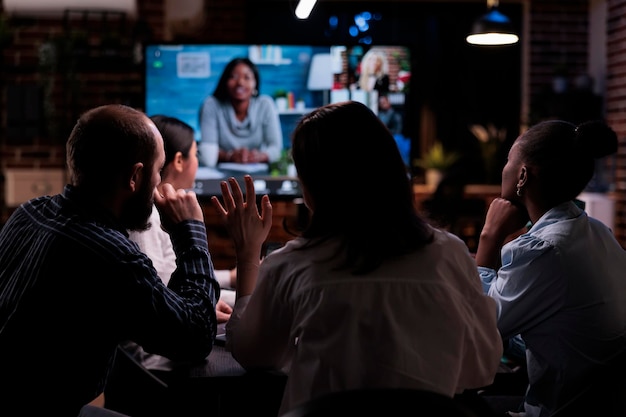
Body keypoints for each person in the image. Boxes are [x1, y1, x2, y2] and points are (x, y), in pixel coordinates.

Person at [212, 101, 503, 415]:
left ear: (313, 186)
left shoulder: (291, 264)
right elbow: (482, 368)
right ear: (391, 170)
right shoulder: (451, 253)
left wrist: (247, 254)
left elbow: (253, 353)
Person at [0, 104, 220, 417]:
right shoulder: (110, 255)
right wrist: (191, 232)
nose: (159, 183)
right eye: (158, 172)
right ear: (135, 176)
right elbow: (195, 336)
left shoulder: (28, 212)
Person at [475, 119, 626, 417]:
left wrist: (489, 237)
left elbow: (477, 327)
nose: (502, 169)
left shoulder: (544, 251)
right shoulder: (598, 233)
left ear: (522, 175)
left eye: (507, 161)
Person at [128, 114, 236, 312]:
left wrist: (226, 283)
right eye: (195, 154)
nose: (197, 162)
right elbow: (162, 292)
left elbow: (172, 276)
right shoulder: (147, 214)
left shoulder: (156, 209)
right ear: (179, 161)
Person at [198, 57, 283, 167]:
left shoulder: (265, 104)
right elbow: (207, 155)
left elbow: (276, 149)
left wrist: (258, 156)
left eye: (247, 77)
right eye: (234, 77)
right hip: (220, 175)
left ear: (255, 84)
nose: (240, 82)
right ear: (225, 81)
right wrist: (230, 156)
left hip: (257, 173)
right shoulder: (211, 105)